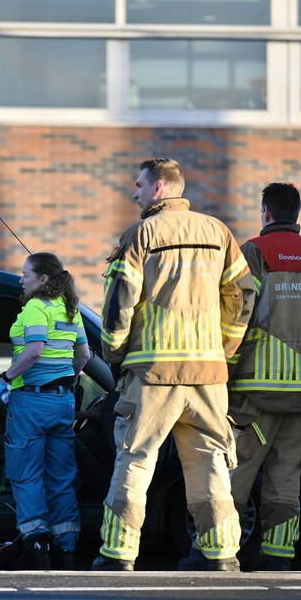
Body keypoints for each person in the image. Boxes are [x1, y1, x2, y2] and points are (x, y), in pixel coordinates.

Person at [92, 157, 255, 572]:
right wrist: (224, 348)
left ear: (160, 188)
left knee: (136, 458)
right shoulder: (219, 233)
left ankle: (119, 554)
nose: (135, 193)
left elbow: (118, 303)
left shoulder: (142, 233)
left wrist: (114, 352)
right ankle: (220, 553)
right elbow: (243, 294)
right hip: (207, 374)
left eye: (140, 185)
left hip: (153, 374)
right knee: (209, 462)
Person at [227, 182, 301, 571]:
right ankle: (279, 558)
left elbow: (238, 315)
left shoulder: (254, 252)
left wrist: (224, 374)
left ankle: (216, 552)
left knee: (237, 472)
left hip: (256, 390)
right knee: (286, 478)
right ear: (297, 213)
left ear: (266, 212)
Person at [0, 252, 91, 570]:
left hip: (31, 402)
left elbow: (33, 350)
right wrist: (67, 378)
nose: (22, 279)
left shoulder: (35, 308)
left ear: (43, 279)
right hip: (62, 402)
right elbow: (85, 356)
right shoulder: (70, 309)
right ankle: (66, 549)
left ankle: (35, 543)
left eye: (26, 275)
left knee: (27, 475)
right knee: (61, 477)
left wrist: (6, 379)